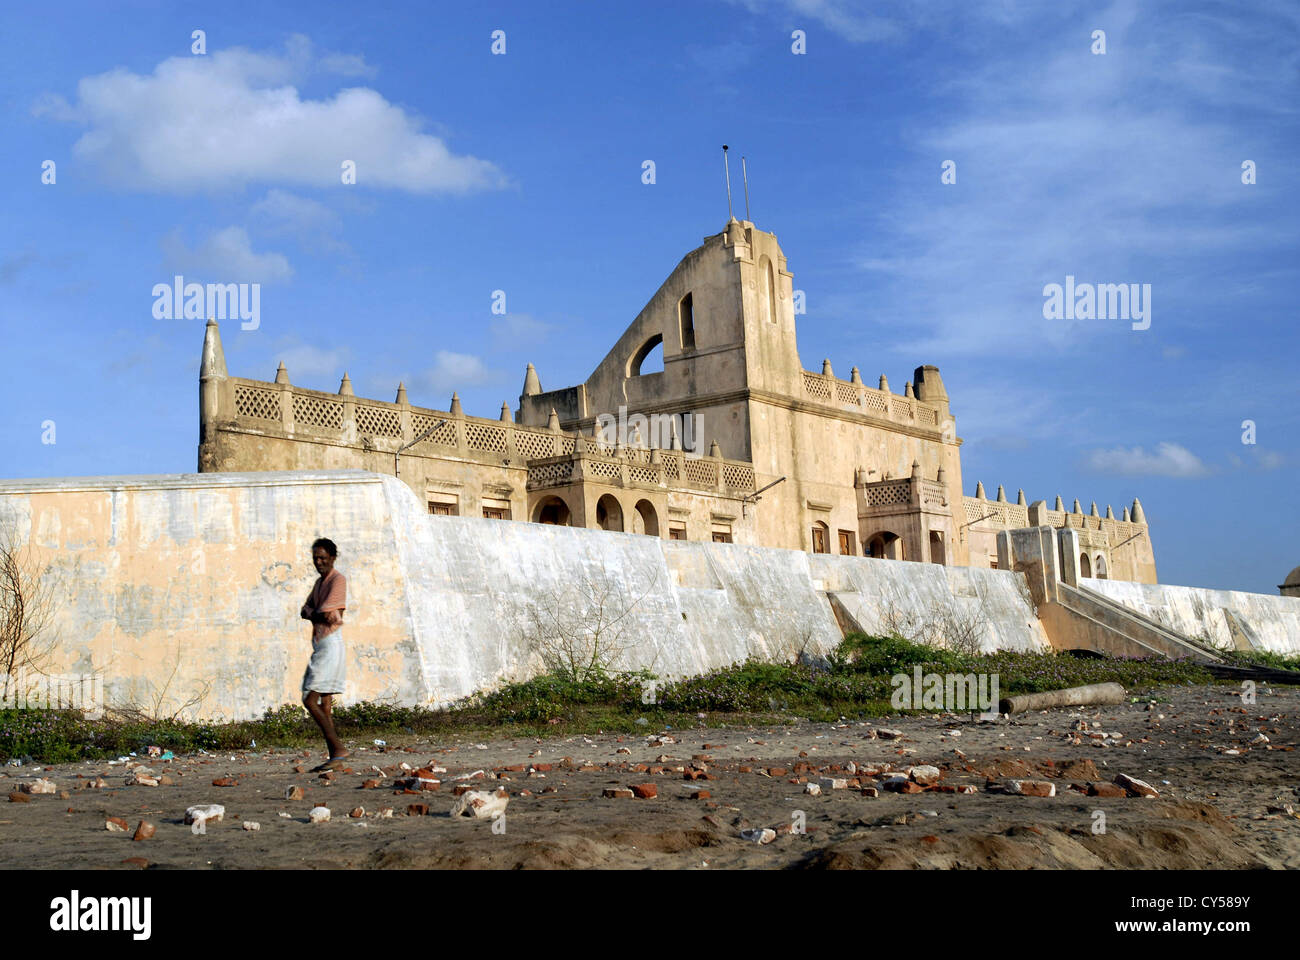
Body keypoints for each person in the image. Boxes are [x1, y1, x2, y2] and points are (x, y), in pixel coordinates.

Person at [300, 537, 349, 771]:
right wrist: (316, 613)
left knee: (310, 698)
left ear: (332, 557)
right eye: (315, 558)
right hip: (321, 642)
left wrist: (315, 613)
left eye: (322, 558)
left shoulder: (338, 580)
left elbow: (327, 613)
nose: (318, 562)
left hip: (330, 643)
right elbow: (308, 610)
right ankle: (334, 757)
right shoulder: (320, 583)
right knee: (325, 702)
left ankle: (338, 749)